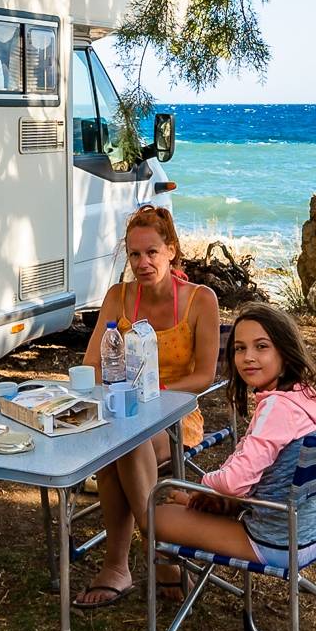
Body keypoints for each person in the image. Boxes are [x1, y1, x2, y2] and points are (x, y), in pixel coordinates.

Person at [72, 203, 222, 607]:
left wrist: (151, 395)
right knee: (119, 440)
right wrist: (118, 396)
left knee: (122, 444)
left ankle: (122, 564)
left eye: (152, 252)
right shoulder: (119, 297)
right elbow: (92, 364)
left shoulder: (200, 301)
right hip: (122, 411)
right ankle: (156, 549)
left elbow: (204, 376)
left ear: (171, 250)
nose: (142, 262)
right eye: (134, 254)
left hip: (175, 415)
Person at [151, 302, 316, 571]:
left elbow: (234, 482)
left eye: (261, 346)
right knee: (198, 502)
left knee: (156, 516)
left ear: (285, 353)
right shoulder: (304, 394)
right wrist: (218, 496)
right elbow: (262, 469)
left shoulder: (277, 408)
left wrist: (205, 484)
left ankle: (169, 574)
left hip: (281, 542)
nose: (248, 357)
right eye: (240, 348)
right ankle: (197, 507)